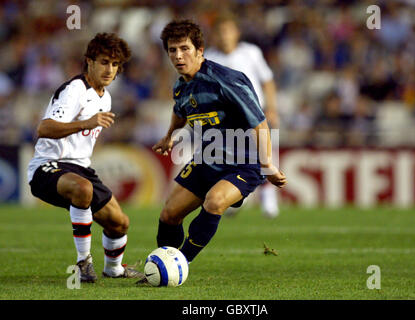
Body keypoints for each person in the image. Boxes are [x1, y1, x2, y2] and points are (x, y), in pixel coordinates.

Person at [147, 19, 286, 272]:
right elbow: (180, 111)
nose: (178, 56)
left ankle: (179, 264)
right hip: (207, 159)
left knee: (214, 201)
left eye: (184, 48)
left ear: (200, 50)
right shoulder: (181, 86)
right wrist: (169, 135)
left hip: (244, 163)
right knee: (169, 214)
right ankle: (161, 264)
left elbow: (259, 122)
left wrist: (267, 165)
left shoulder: (226, 80)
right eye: (172, 50)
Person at [27, 33, 143, 283]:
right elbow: (44, 128)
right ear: (89, 61)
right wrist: (85, 123)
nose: (109, 69)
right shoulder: (74, 90)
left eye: (114, 65)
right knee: (83, 188)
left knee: (120, 223)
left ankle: (114, 269)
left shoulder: (106, 97)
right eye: (103, 62)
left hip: (81, 168)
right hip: (48, 166)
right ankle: (83, 263)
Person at [205, 13, 281, 218]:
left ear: (236, 33)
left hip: (254, 112)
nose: (224, 36)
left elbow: (267, 80)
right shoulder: (209, 58)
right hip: (225, 117)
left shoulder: (251, 52)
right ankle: (238, 195)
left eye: (228, 31)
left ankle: (268, 195)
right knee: (230, 158)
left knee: (263, 153)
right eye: (220, 32)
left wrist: (272, 108)